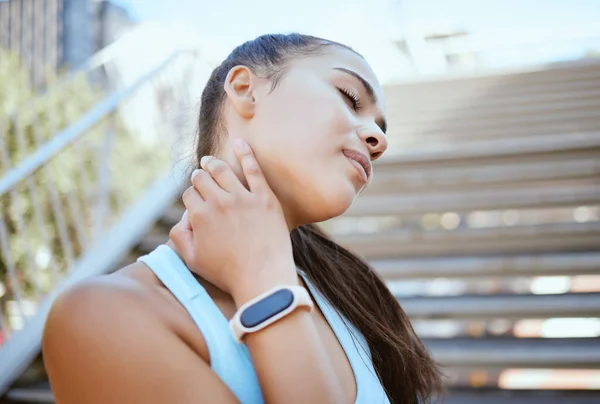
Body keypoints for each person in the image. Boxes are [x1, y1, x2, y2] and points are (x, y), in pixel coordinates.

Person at [42, 33, 442, 403]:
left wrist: (264, 275)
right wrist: (265, 283)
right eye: (350, 97)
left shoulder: (350, 295)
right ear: (244, 89)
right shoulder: (102, 316)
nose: (379, 140)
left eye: (380, 128)